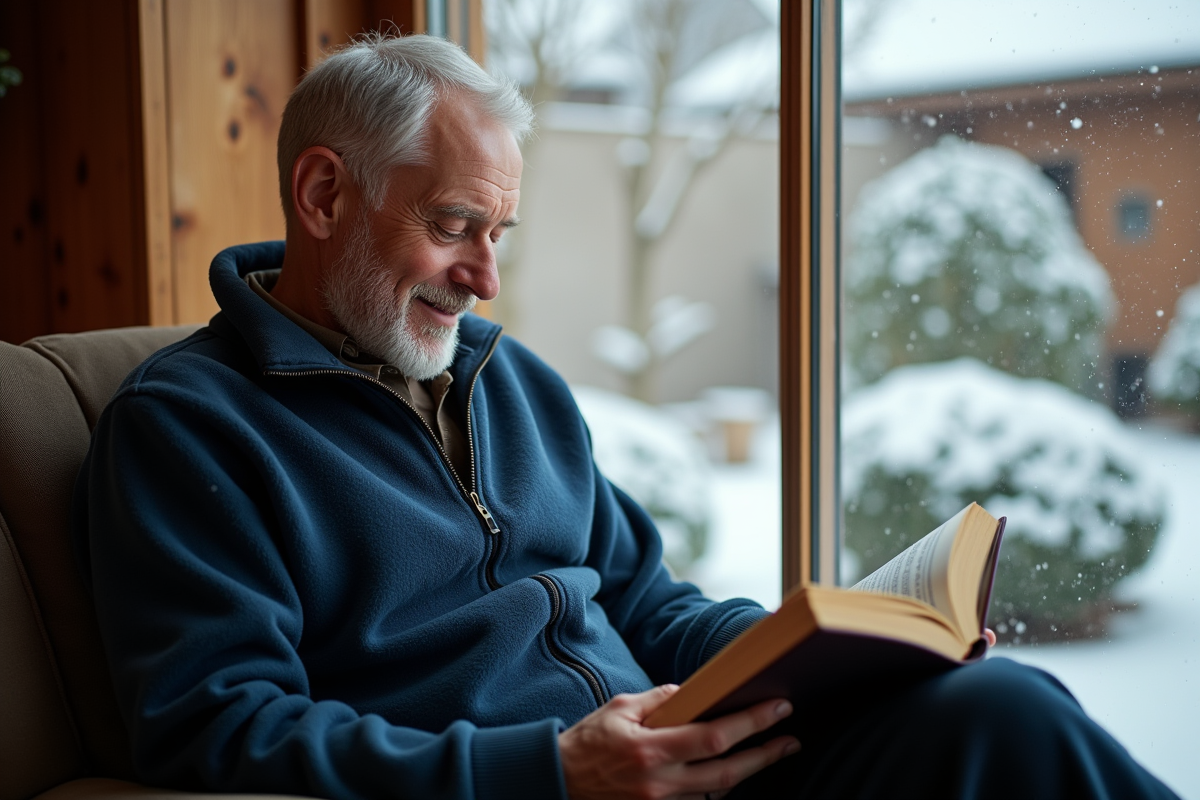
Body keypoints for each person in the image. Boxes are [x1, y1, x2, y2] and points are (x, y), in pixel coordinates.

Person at [73, 33, 1180, 800]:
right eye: (457, 224)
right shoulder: (188, 427)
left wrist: (846, 654)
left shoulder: (515, 383)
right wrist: (548, 771)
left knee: (998, 705)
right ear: (323, 197)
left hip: (698, 765)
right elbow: (217, 724)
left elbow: (649, 598)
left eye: (500, 232)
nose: (484, 279)